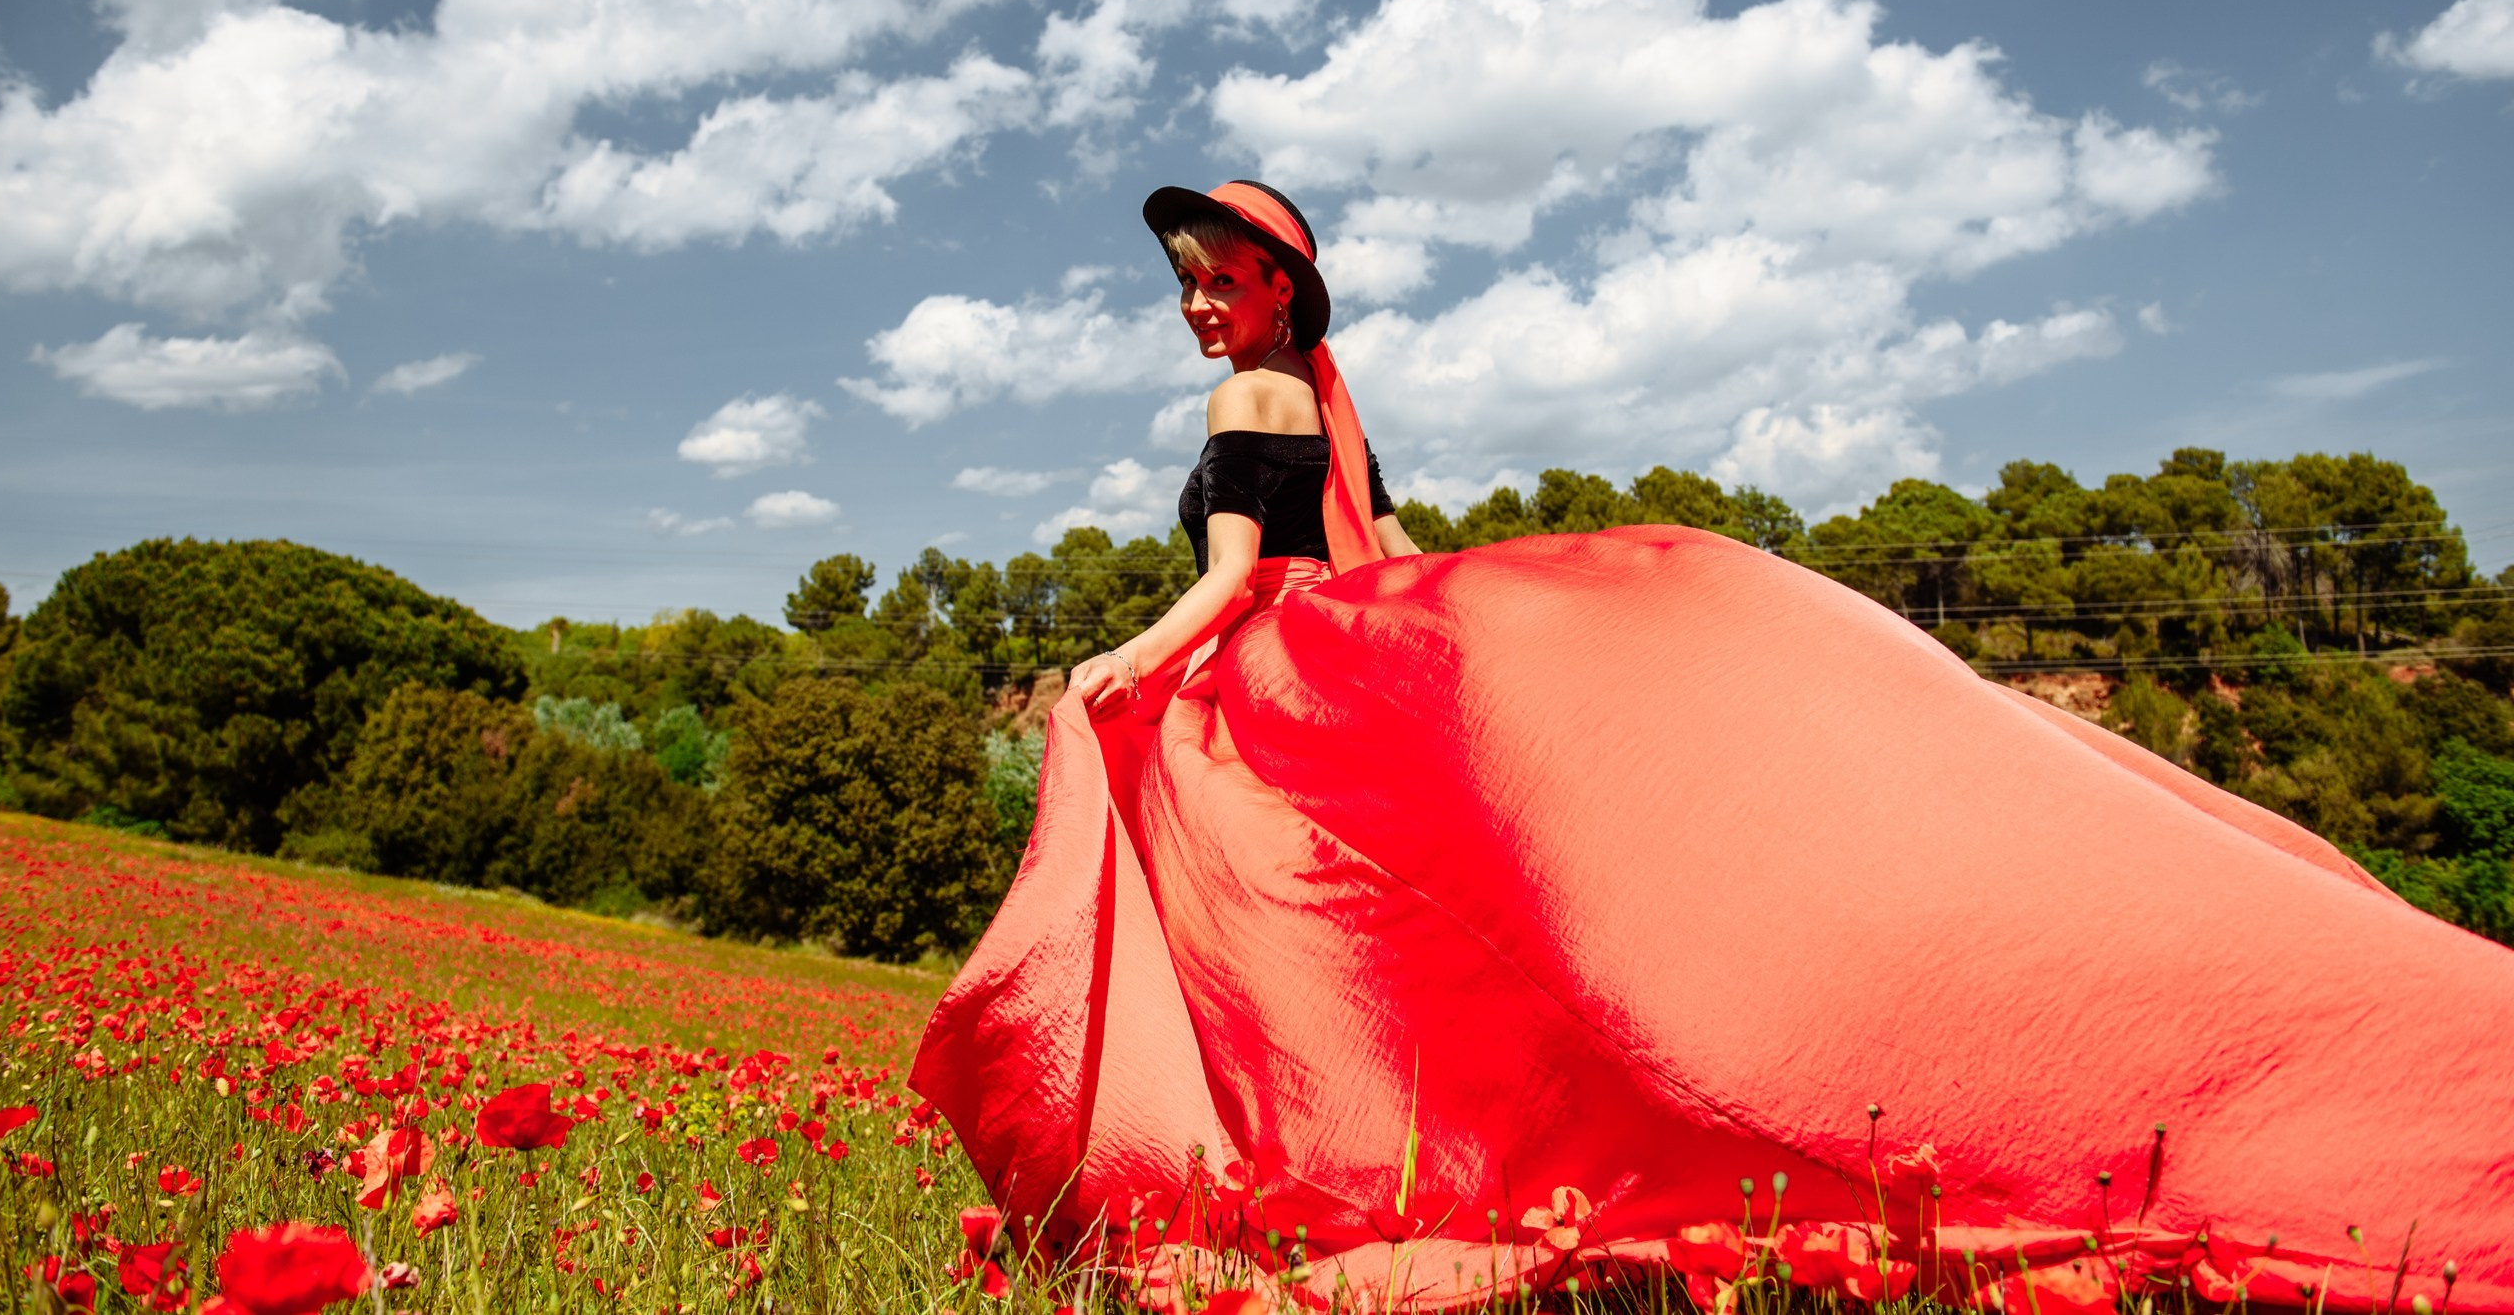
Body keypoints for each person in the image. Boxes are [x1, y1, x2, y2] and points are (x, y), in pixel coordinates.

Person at [912, 181, 2514, 1314]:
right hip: (1340, 641)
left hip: (1270, 668)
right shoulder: (1325, 403)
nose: (1199, 304)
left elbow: (1227, 581)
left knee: (1314, 956)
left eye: (1219, 278)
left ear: (1278, 287)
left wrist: (1112, 667)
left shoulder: (1242, 407)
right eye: (1187, 283)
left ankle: (1336, 1170)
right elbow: (1389, 550)